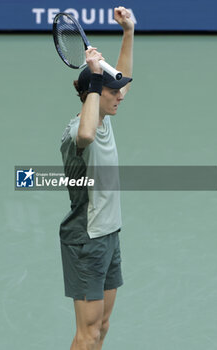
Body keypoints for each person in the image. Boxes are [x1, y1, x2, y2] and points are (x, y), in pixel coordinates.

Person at [59, 6, 134, 350]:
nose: (120, 96)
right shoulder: (80, 129)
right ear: (94, 93)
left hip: (109, 234)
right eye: (112, 91)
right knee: (86, 334)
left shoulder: (103, 115)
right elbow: (86, 135)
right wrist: (93, 76)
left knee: (101, 328)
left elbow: (118, 83)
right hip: (87, 239)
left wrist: (128, 32)